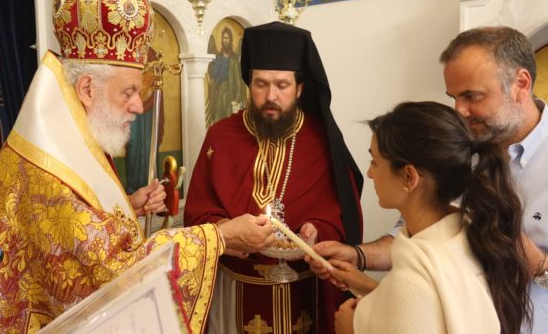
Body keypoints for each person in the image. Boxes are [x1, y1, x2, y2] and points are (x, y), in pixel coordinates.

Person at [0, 0, 274, 334]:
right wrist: (221, 237)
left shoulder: (59, 139)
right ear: (87, 88)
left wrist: (128, 206)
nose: (138, 105)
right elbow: (117, 276)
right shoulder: (50, 170)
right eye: (130, 91)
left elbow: (72, 234)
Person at [310, 26, 548, 333]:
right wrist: (357, 256)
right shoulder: (456, 146)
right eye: (453, 97)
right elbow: (419, 244)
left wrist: (538, 265)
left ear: (521, 84)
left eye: (471, 96)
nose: (460, 111)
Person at [184, 21, 363, 334]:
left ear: (300, 88)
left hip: (305, 291)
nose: (271, 96)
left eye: (282, 85)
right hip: (235, 291)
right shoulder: (221, 136)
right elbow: (198, 212)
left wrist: (315, 230)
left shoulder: (320, 139)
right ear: (248, 84)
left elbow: (341, 217)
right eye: (261, 84)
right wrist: (227, 232)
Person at [338, 101, 530, 333]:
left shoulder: (415, 276)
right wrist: (366, 286)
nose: (369, 173)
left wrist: (350, 328)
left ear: (409, 177)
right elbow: (432, 310)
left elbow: (415, 296)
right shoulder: (468, 234)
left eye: (375, 162)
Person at [205, 26, 246, 127]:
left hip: (229, 93)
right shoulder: (218, 57)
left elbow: (238, 80)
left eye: (227, 38)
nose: (225, 40)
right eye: (224, 38)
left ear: (230, 40)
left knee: (228, 120)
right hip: (218, 92)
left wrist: (237, 98)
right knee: (217, 119)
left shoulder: (234, 59)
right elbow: (213, 75)